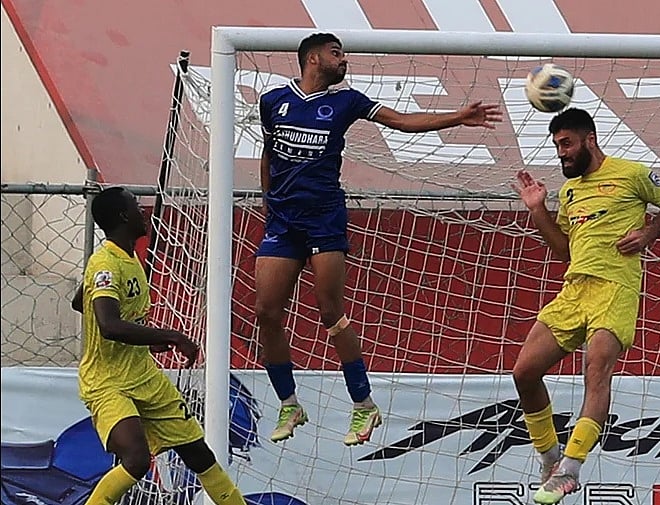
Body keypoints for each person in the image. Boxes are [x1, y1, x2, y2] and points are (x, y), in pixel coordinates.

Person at [255, 32, 502, 446]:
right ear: (313, 58)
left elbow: (402, 122)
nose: (344, 59)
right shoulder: (273, 101)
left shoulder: (347, 101)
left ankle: (363, 403)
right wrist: (268, 203)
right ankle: (289, 402)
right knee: (265, 311)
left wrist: (457, 117)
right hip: (282, 221)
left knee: (329, 309)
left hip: (324, 220)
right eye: (337, 54)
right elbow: (268, 151)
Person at [511, 108, 660, 504]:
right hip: (575, 290)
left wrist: (648, 234)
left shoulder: (633, 173)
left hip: (615, 288)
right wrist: (537, 208)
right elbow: (565, 252)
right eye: (557, 147)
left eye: (567, 143)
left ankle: (571, 469)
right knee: (524, 371)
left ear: (590, 139)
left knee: (596, 370)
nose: (562, 153)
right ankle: (551, 458)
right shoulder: (570, 192)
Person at [73, 187, 245, 505]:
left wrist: (141, 339)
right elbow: (109, 326)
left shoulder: (127, 258)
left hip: (145, 377)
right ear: (124, 216)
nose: (142, 210)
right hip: (108, 382)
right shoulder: (106, 263)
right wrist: (171, 336)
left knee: (198, 453)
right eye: (136, 206)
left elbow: (79, 301)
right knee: (137, 460)